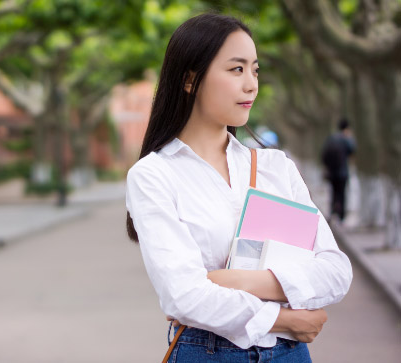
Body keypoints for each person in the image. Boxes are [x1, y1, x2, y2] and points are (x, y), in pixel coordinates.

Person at [125, 14, 352, 362]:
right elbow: (183, 296)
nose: (251, 85)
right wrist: (282, 318)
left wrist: (235, 280)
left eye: (255, 70)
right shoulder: (154, 175)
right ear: (190, 79)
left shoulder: (276, 168)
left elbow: (335, 273)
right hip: (208, 351)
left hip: (289, 353)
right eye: (236, 69)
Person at [321, 118, 355, 223]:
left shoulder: (331, 139)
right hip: (342, 172)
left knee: (334, 192)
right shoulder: (346, 139)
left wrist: (327, 166)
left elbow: (324, 155)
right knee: (342, 193)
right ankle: (341, 216)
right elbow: (352, 150)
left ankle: (333, 211)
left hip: (332, 172)